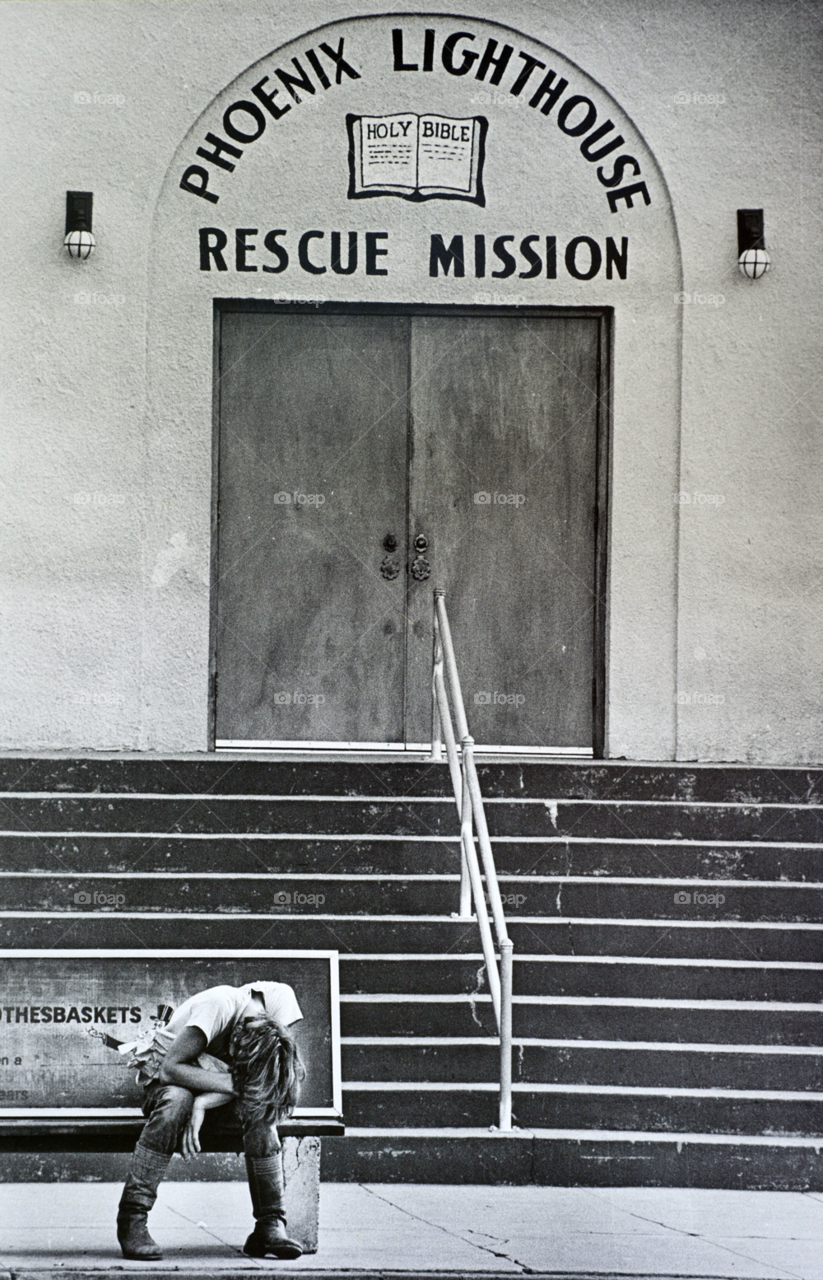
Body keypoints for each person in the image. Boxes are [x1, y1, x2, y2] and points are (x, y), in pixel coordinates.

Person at [116, 980, 305, 1262]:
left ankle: (270, 1225)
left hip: (218, 1093)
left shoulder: (280, 1000)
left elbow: (259, 1083)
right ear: (237, 1040)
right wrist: (223, 1088)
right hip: (168, 1083)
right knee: (178, 1100)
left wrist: (204, 1102)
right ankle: (132, 1218)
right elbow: (170, 1070)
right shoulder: (217, 1006)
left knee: (261, 1114)